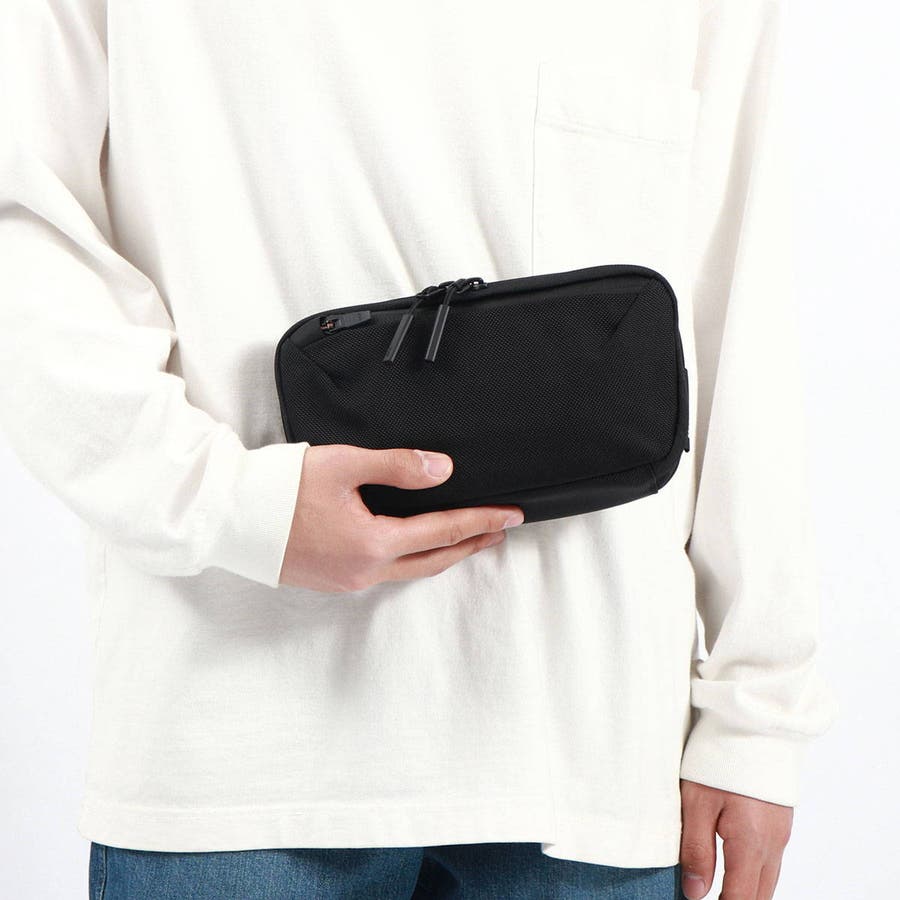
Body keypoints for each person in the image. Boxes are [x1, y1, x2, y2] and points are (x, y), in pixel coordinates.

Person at [0, 0, 839, 898]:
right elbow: (26, 229)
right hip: (235, 741)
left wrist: (757, 714)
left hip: (585, 747)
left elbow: (734, 281)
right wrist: (228, 503)